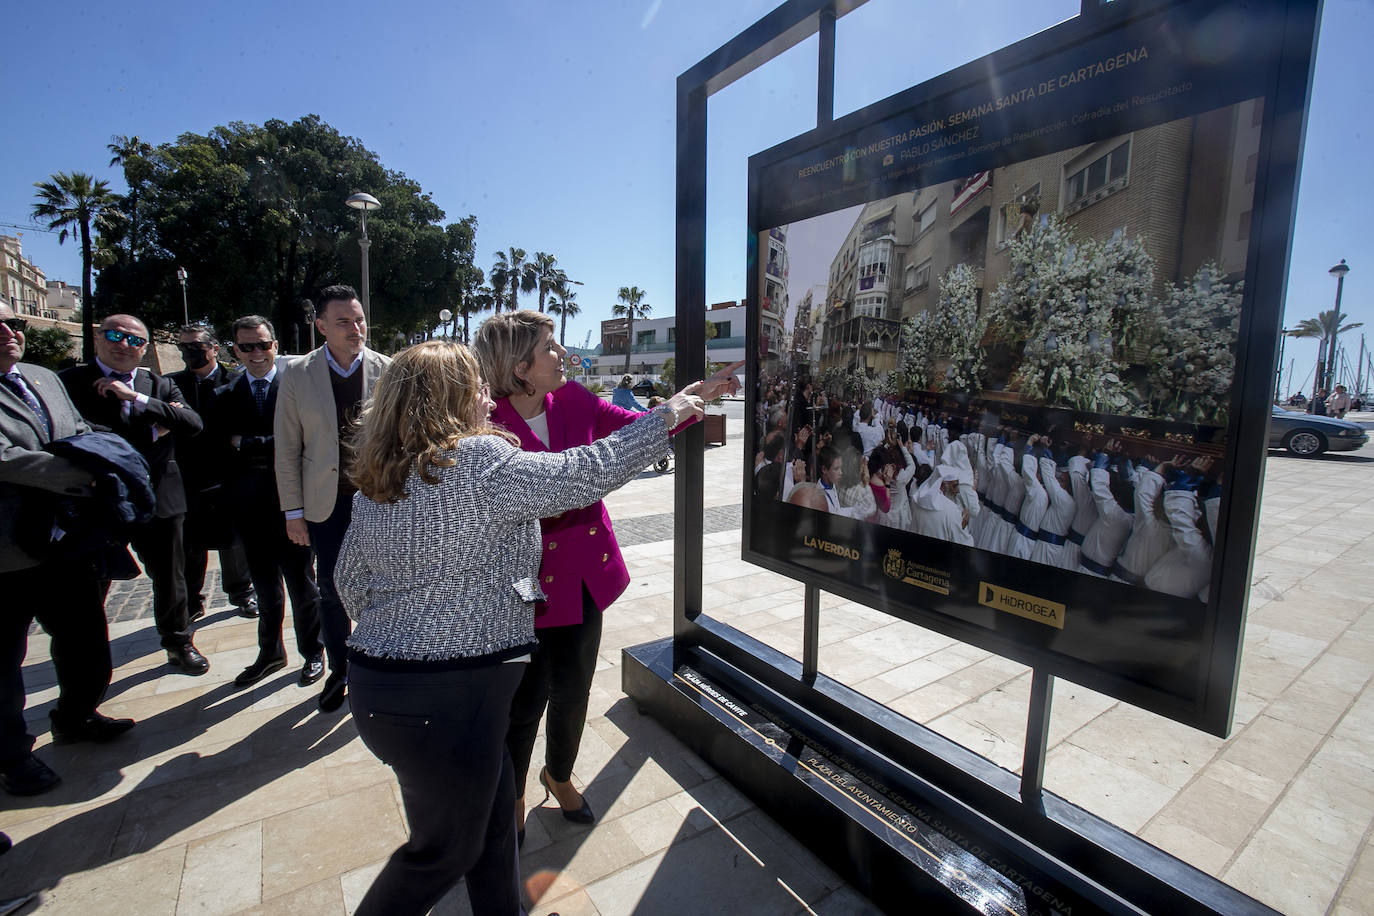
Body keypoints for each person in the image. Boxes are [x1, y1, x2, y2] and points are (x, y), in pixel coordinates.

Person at [335, 340, 704, 915]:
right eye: (477, 385)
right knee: (442, 854)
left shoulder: (383, 479)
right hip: (452, 696)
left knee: (486, 829)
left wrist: (403, 628)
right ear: (453, 399)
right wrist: (671, 414)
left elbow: (348, 584)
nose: (488, 394)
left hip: (379, 688)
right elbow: (587, 471)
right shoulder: (481, 463)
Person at [472, 310, 737, 839]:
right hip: (525, 589)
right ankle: (517, 793)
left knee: (574, 688)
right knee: (524, 702)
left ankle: (560, 774)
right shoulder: (485, 429)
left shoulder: (573, 399)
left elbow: (635, 433)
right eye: (551, 348)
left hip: (584, 578)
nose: (564, 355)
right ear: (521, 367)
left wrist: (697, 395)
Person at [0, 301, 134, 796]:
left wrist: (105, 453)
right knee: (5, 664)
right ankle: (13, 757)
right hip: (7, 551)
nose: (9, 332)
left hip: (67, 541)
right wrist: (85, 474)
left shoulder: (42, 377)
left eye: (13, 323)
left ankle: (76, 715)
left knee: (84, 639)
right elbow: (7, 457)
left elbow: (77, 430)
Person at [60, 314, 209, 675]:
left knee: (171, 576)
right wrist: (154, 428)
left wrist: (137, 399)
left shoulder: (156, 384)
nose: (124, 345)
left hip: (159, 493)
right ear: (97, 338)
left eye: (135, 340)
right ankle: (87, 663)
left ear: (145, 347)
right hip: (98, 499)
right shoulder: (69, 383)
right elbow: (76, 436)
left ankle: (178, 642)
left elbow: (192, 424)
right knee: (92, 582)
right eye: (115, 335)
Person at [274, 285, 390, 712]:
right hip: (326, 504)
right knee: (331, 589)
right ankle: (341, 669)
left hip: (380, 500)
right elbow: (286, 449)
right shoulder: (298, 375)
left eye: (359, 319)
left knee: (386, 585)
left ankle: (380, 662)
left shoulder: (388, 369)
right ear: (321, 325)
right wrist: (294, 512)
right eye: (343, 321)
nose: (355, 328)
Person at [214, 316, 325, 689]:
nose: (257, 353)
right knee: (264, 588)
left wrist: (246, 443)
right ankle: (270, 652)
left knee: (302, 584)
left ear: (275, 346)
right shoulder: (224, 395)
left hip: (291, 506)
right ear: (236, 351)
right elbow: (216, 447)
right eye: (247, 347)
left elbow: (303, 444)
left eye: (263, 345)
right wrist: (264, 445)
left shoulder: (294, 389)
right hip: (249, 508)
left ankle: (314, 652)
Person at [168, 324, 257, 622]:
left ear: (214, 348)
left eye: (196, 347)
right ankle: (193, 599)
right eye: (184, 348)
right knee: (191, 543)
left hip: (229, 471)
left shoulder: (236, 381)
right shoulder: (172, 384)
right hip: (189, 474)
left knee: (235, 540)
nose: (190, 353)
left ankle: (242, 592)